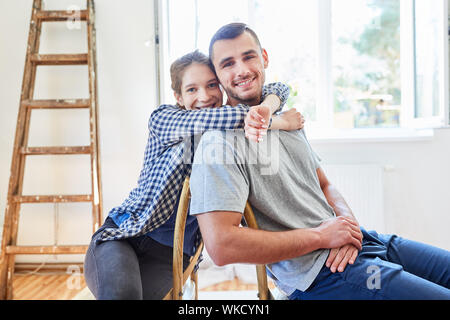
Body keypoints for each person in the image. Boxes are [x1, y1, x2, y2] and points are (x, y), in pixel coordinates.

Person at [189, 22, 450, 300]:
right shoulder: (218, 143)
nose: (241, 70)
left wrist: (348, 229)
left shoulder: (285, 121)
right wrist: (323, 237)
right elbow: (221, 246)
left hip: (364, 243)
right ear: (217, 75)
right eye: (228, 63)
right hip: (323, 274)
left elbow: (324, 184)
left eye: (248, 56)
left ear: (264, 57)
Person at [83, 49, 304, 300]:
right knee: (122, 295)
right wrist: (278, 121)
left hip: (170, 254)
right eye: (191, 89)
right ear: (178, 96)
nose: (205, 96)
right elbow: (214, 117)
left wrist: (265, 108)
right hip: (125, 233)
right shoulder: (164, 119)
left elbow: (278, 88)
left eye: (212, 85)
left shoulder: (229, 137)